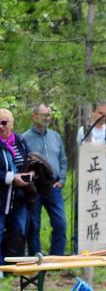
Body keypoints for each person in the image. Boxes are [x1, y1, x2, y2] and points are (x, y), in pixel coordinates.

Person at [77, 102, 106, 253]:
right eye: (99, 113)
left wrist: (105, 146)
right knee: (88, 216)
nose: (103, 117)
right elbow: (89, 150)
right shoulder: (84, 130)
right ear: (92, 113)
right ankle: (85, 251)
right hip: (91, 180)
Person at [22, 103, 67, 256]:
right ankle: (36, 260)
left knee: (60, 223)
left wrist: (61, 178)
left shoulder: (55, 136)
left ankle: (57, 258)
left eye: (49, 115)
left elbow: (63, 159)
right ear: (34, 116)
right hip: (34, 188)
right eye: (44, 115)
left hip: (53, 187)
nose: (47, 118)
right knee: (34, 225)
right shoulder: (24, 138)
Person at [0, 108, 31, 266]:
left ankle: (15, 265)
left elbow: (28, 160)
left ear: (11, 124)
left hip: (19, 196)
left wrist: (30, 173)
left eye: (4, 122)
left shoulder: (20, 141)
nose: (1, 126)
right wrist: (12, 178)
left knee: (18, 230)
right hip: (2, 197)